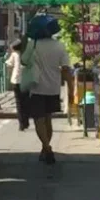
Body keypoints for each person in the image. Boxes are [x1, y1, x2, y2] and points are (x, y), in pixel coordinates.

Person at [23, 15, 70, 164]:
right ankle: (45, 149)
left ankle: (47, 147)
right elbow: (66, 68)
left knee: (39, 120)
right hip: (53, 87)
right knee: (48, 119)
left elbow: (24, 61)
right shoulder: (59, 45)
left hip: (37, 87)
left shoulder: (33, 44)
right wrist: (71, 86)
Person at [5, 41, 30, 131]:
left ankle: (21, 124)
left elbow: (8, 64)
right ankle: (26, 122)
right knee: (27, 101)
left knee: (19, 103)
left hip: (16, 81)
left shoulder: (15, 54)